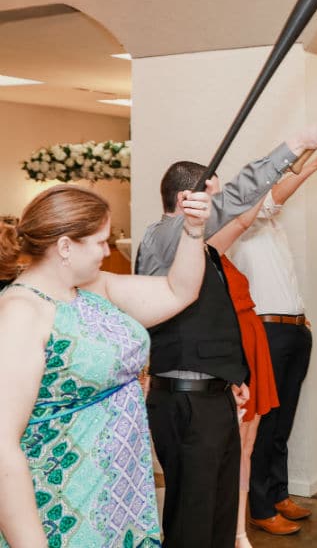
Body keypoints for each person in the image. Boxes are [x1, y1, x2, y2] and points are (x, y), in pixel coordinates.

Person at [136, 120, 317, 548]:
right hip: (186, 401)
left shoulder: (193, 246)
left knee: (217, 507)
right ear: (186, 201)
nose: (216, 207)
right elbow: (240, 200)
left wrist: (231, 379)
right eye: (211, 197)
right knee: (194, 513)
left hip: (209, 394)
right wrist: (295, 144)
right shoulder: (166, 236)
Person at [0, 184, 210, 547]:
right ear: (65, 246)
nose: (107, 250)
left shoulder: (91, 289)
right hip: (65, 504)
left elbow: (181, 291)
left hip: (120, 495)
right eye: (99, 241)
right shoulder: (22, 312)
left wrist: (194, 230)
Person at [225, 147, 317, 537]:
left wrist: (303, 321)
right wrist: (310, 165)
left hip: (293, 330)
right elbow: (275, 196)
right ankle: (258, 506)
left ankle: (277, 494)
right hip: (265, 332)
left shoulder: (275, 228)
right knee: (264, 421)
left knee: (283, 421)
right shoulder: (243, 221)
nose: (270, 189)